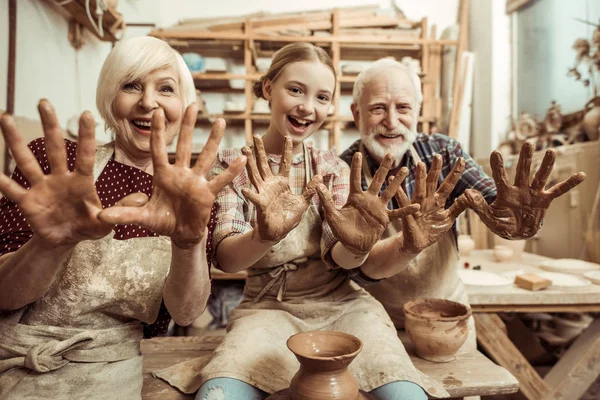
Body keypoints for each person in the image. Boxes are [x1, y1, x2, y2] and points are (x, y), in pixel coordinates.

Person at [194, 43, 447, 400]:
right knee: (217, 393)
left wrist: (359, 244)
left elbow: (339, 257)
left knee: (406, 394)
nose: (307, 107)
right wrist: (265, 235)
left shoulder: (333, 168)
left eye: (322, 97)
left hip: (342, 306)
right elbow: (227, 259)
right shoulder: (233, 166)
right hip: (266, 309)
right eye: (295, 89)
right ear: (268, 88)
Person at [0, 36, 245, 399]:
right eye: (131, 85)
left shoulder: (189, 190)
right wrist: (52, 244)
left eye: (165, 88)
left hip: (112, 374)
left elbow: (187, 312)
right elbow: (4, 295)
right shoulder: (61, 167)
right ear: (109, 97)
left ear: (183, 103)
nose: (148, 101)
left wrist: (188, 242)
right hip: (16, 363)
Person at [323, 58, 586, 351]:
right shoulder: (341, 170)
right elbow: (352, 269)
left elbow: (496, 207)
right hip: (370, 322)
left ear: (418, 112)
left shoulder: (444, 154)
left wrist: (515, 221)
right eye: (378, 108)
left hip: (448, 317)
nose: (392, 121)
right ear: (356, 113)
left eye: (403, 108)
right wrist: (407, 244)